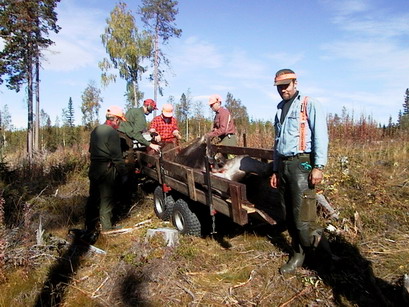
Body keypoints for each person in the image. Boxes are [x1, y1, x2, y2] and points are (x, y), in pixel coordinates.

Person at [270, 69, 335, 274]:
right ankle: (298, 254)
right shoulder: (280, 108)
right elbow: (277, 142)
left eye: (286, 85)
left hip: (302, 165)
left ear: (295, 83)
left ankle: (326, 256)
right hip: (284, 166)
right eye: (280, 87)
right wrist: (275, 170)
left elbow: (321, 137)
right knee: (288, 216)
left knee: (303, 219)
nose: (283, 90)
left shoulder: (309, 104)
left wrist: (318, 166)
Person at [83, 105, 128, 243]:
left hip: (94, 167)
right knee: (106, 198)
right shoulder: (112, 133)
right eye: (119, 120)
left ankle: (89, 226)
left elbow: (91, 150)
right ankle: (107, 228)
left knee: (93, 197)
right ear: (114, 119)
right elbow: (117, 156)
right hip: (107, 168)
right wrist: (124, 173)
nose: (119, 123)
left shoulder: (96, 130)